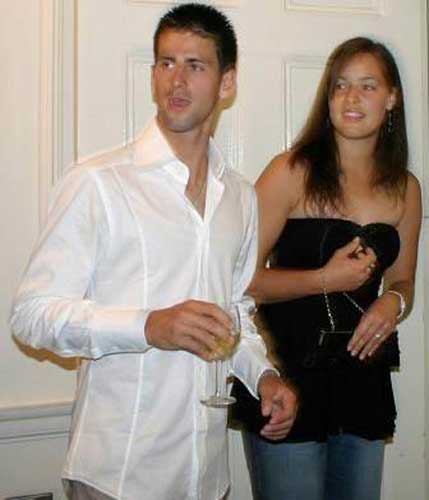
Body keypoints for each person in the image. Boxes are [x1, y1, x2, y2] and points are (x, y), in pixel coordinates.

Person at [9, 4, 298, 500]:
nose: (175, 81)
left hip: (208, 480)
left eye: (195, 65)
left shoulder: (240, 196)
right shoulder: (98, 183)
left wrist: (265, 376)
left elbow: (236, 314)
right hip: (118, 477)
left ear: (227, 83)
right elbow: (31, 316)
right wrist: (148, 325)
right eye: (166, 63)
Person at [233, 37, 421, 500]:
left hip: (363, 380)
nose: (351, 98)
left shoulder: (406, 188)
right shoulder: (289, 171)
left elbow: (404, 280)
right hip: (285, 375)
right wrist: (325, 279)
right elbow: (240, 282)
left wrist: (393, 303)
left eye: (367, 86)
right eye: (341, 85)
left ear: (392, 98)